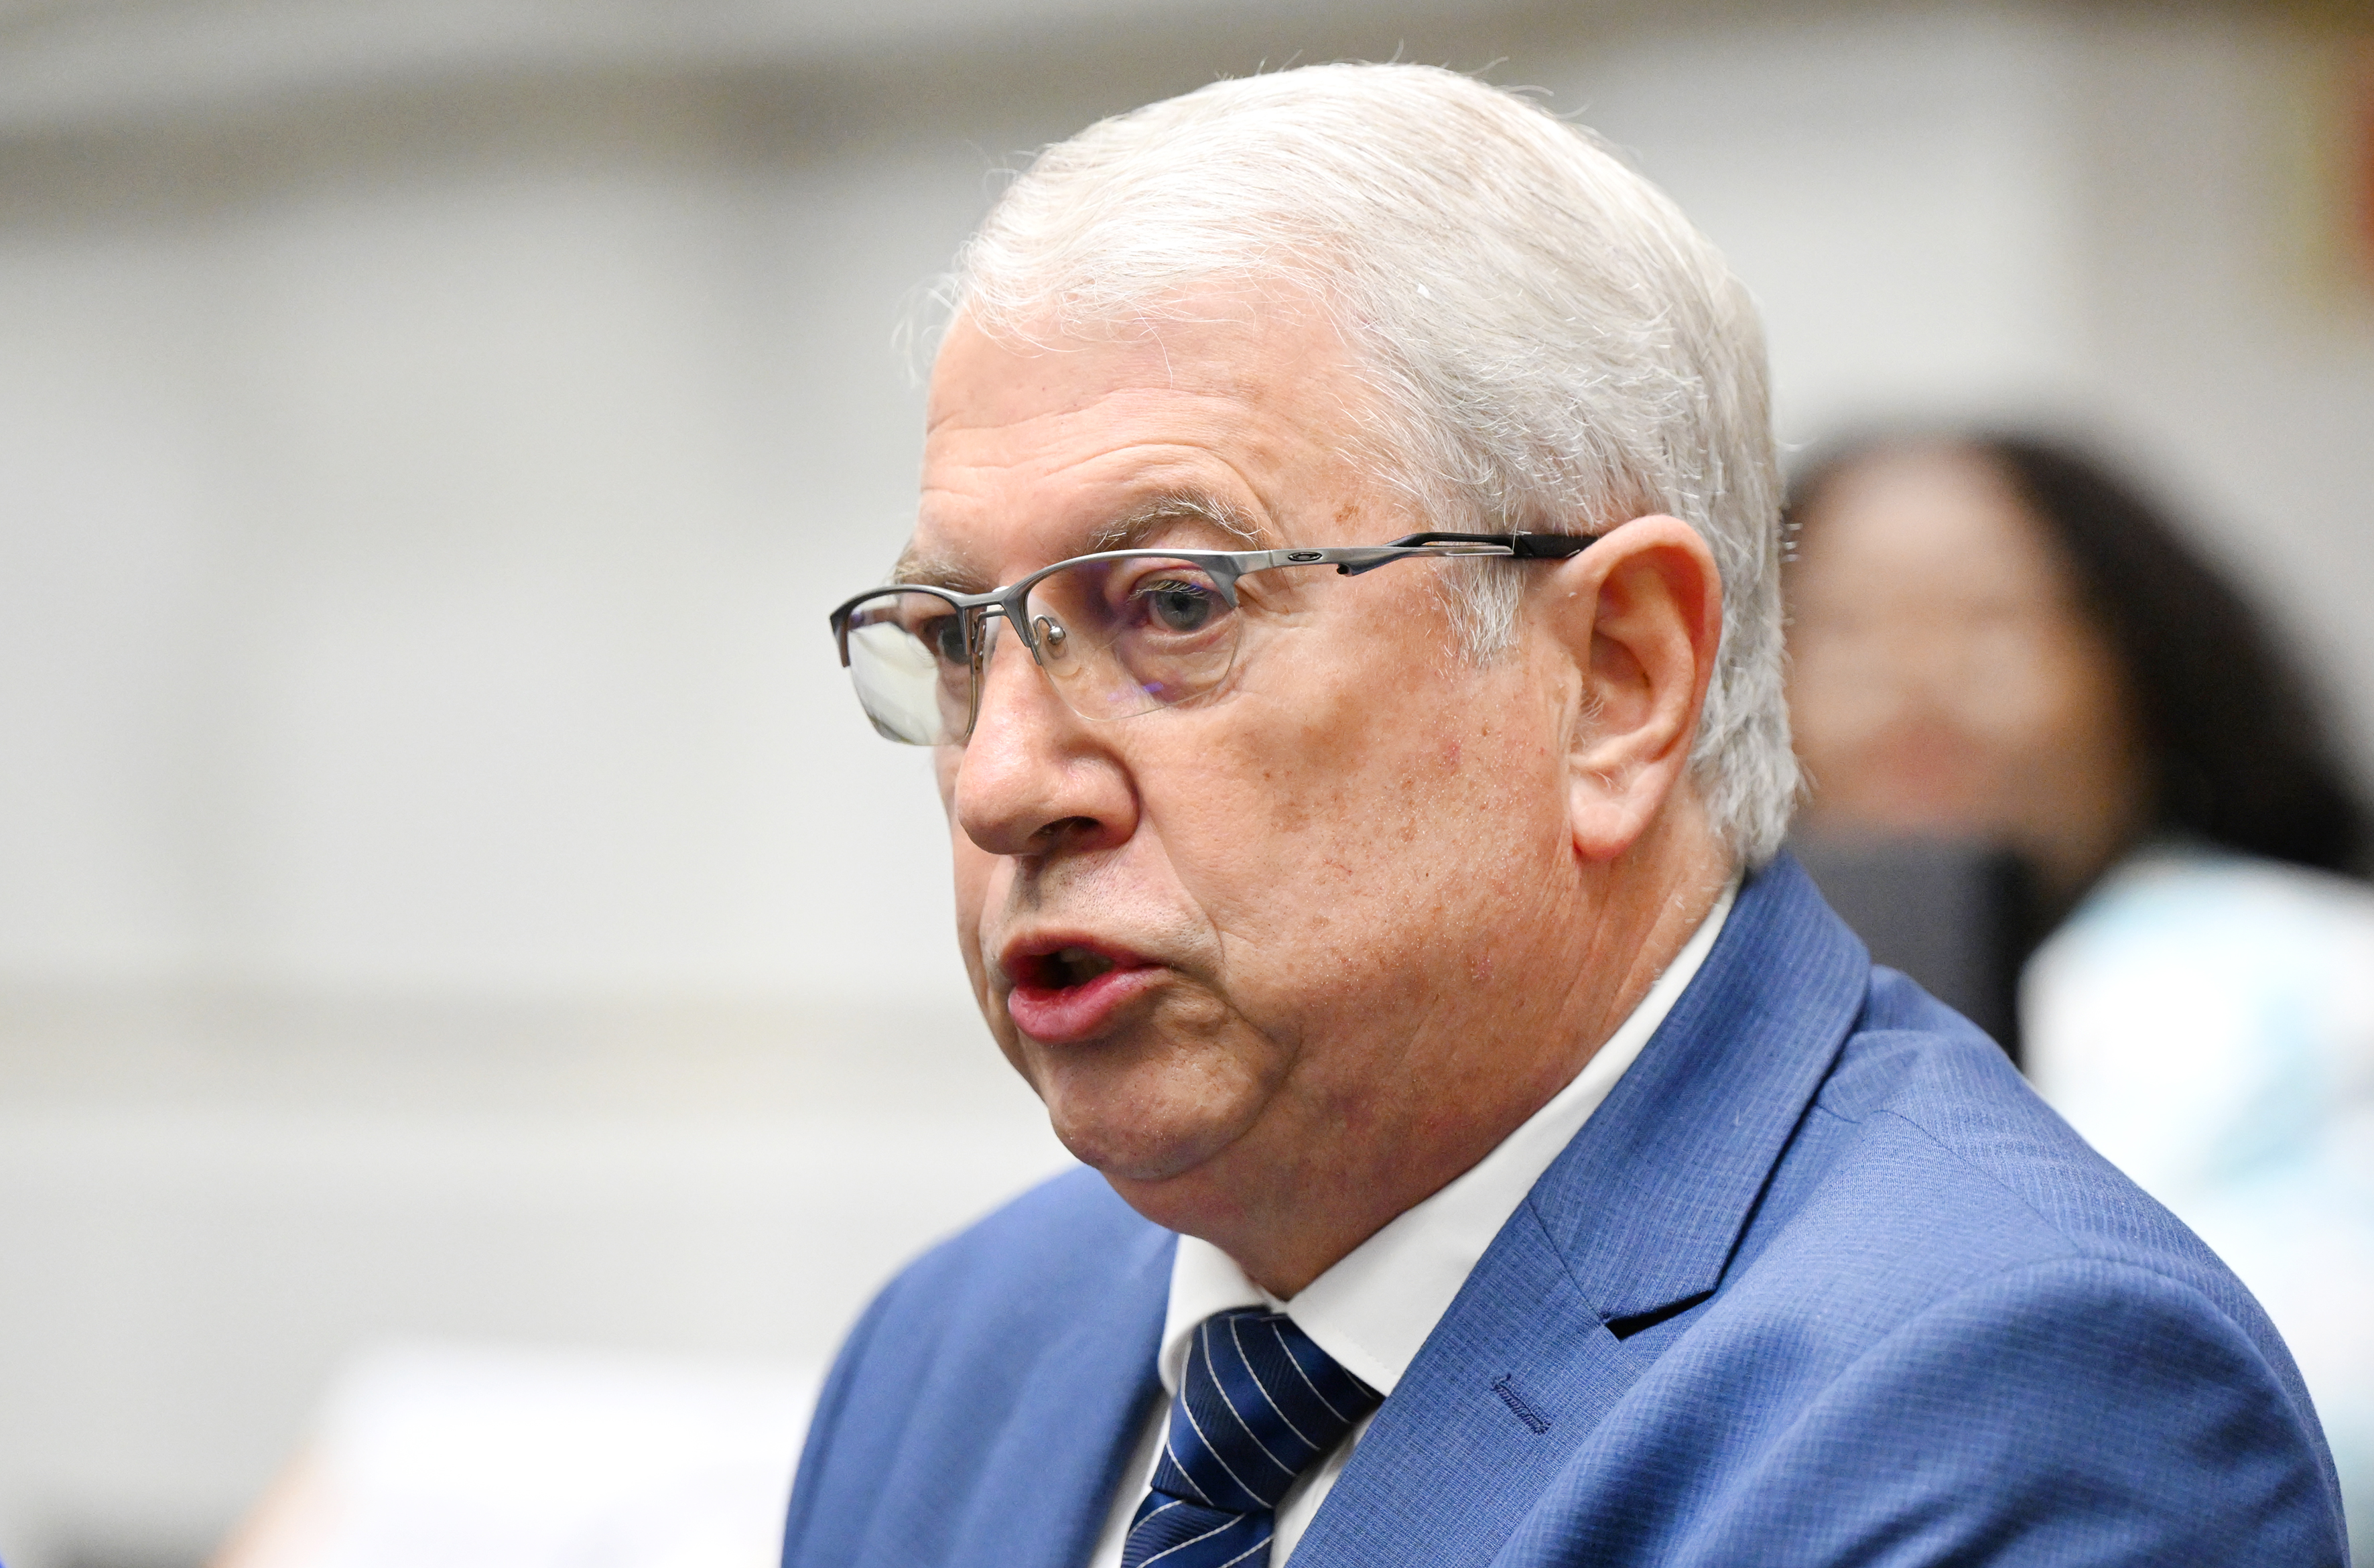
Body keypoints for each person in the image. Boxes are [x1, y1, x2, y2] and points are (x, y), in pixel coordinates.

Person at [784, 64, 2349, 1567]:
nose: (1002, 785)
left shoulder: (2011, 1399)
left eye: (1177, 604)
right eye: (955, 638)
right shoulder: (950, 1353)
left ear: (1614, 678)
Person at [1786, 430, 2374, 1559]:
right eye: (1844, 626)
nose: (1919, 682)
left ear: (2143, 668)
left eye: (1994, 619)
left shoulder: (2327, 989)